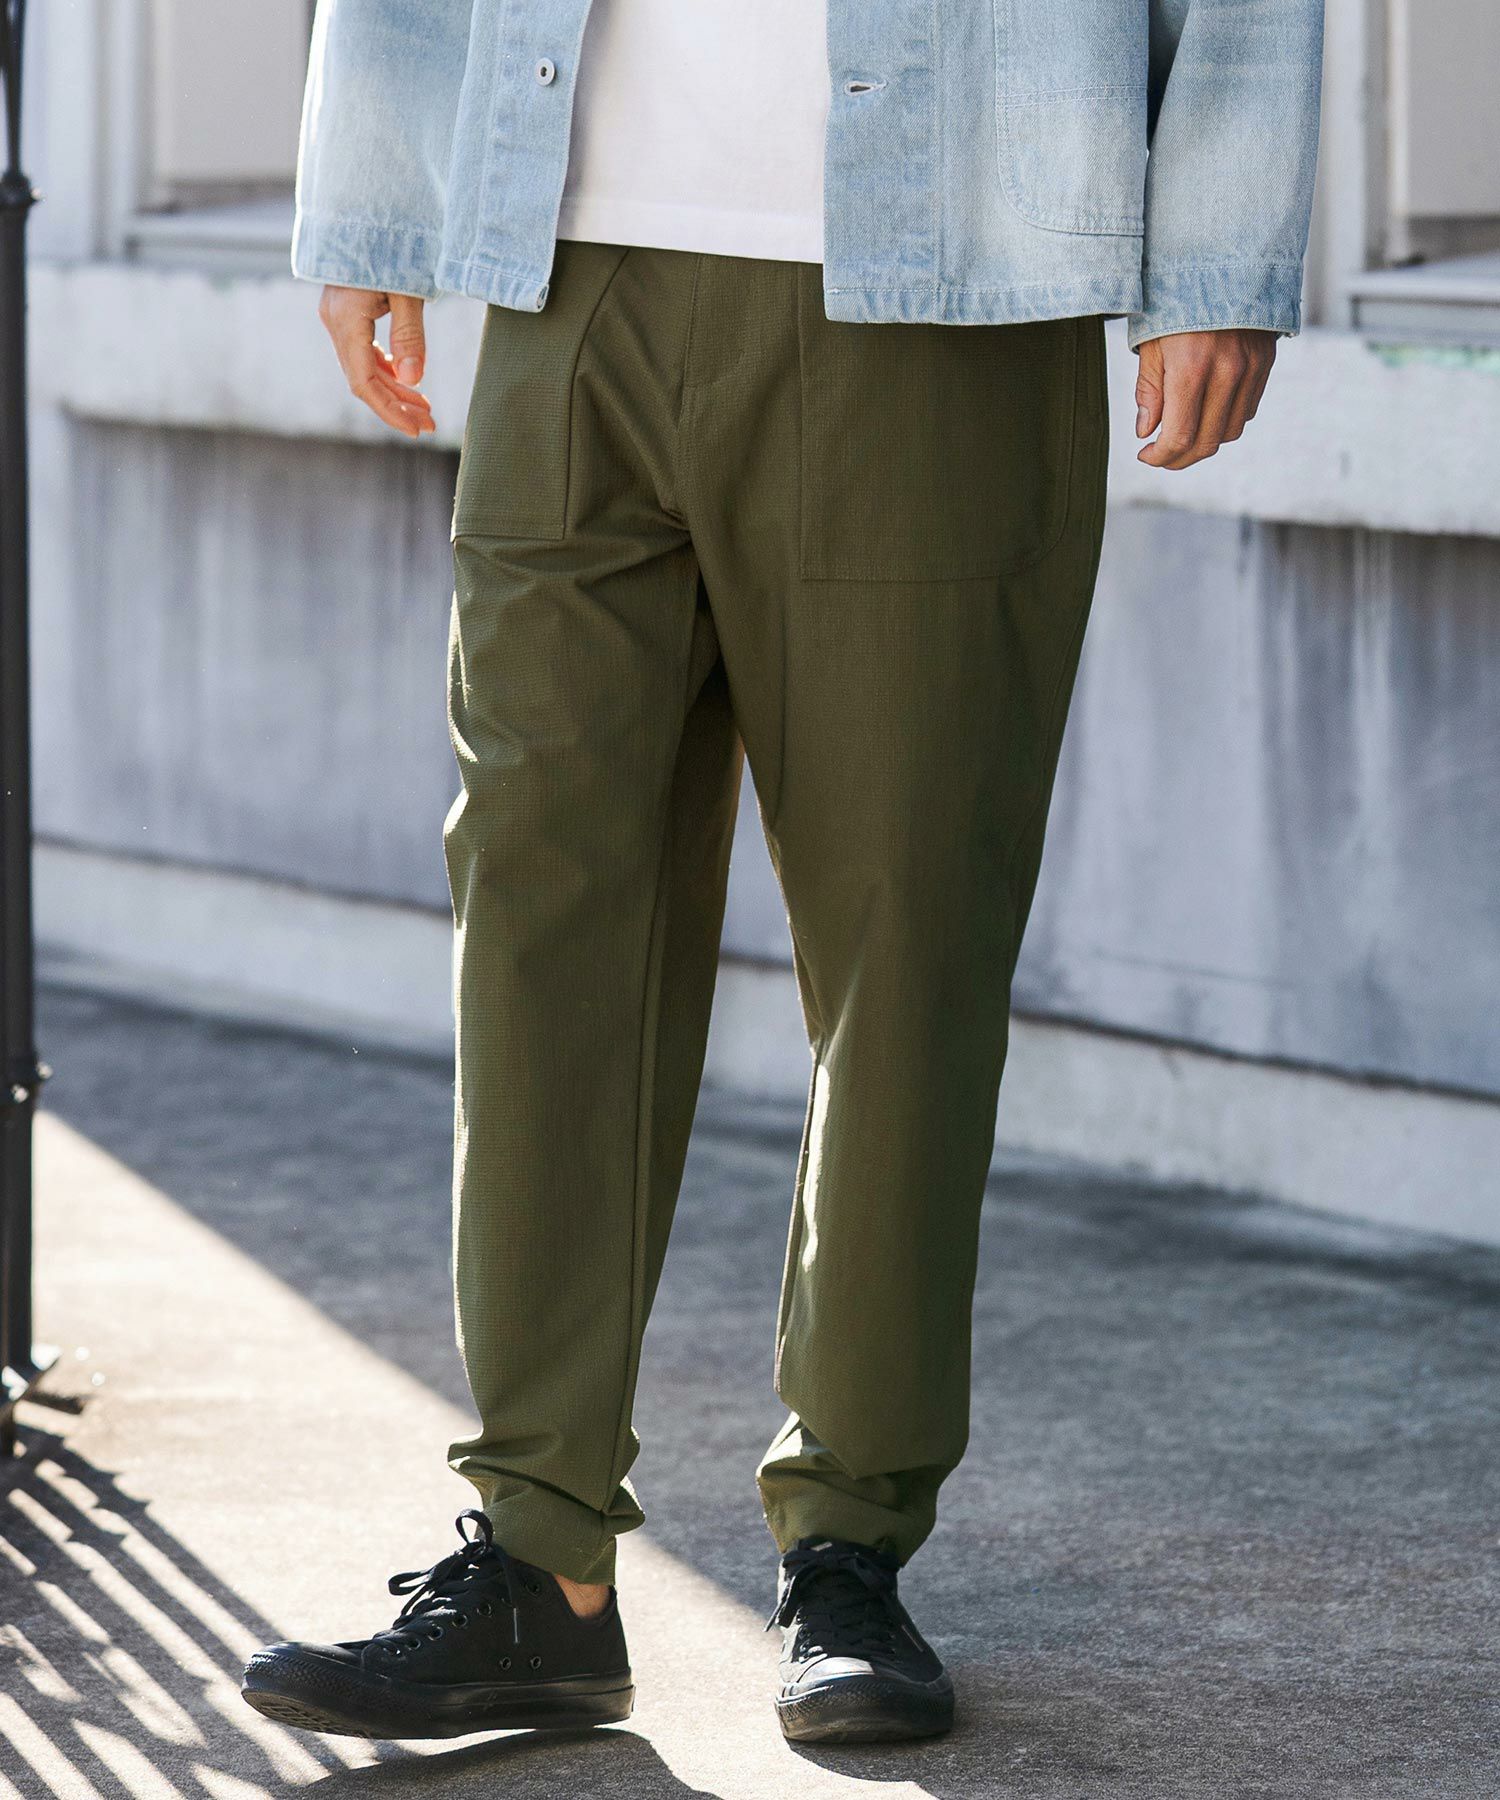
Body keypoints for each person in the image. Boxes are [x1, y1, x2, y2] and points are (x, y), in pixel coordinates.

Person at [241, 0, 1324, 1748]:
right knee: (536, 907)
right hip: (567, 255)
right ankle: (538, 1562)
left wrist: (1219, 248)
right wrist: (370, 187)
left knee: (905, 930)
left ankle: (851, 1547)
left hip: (950, 270)